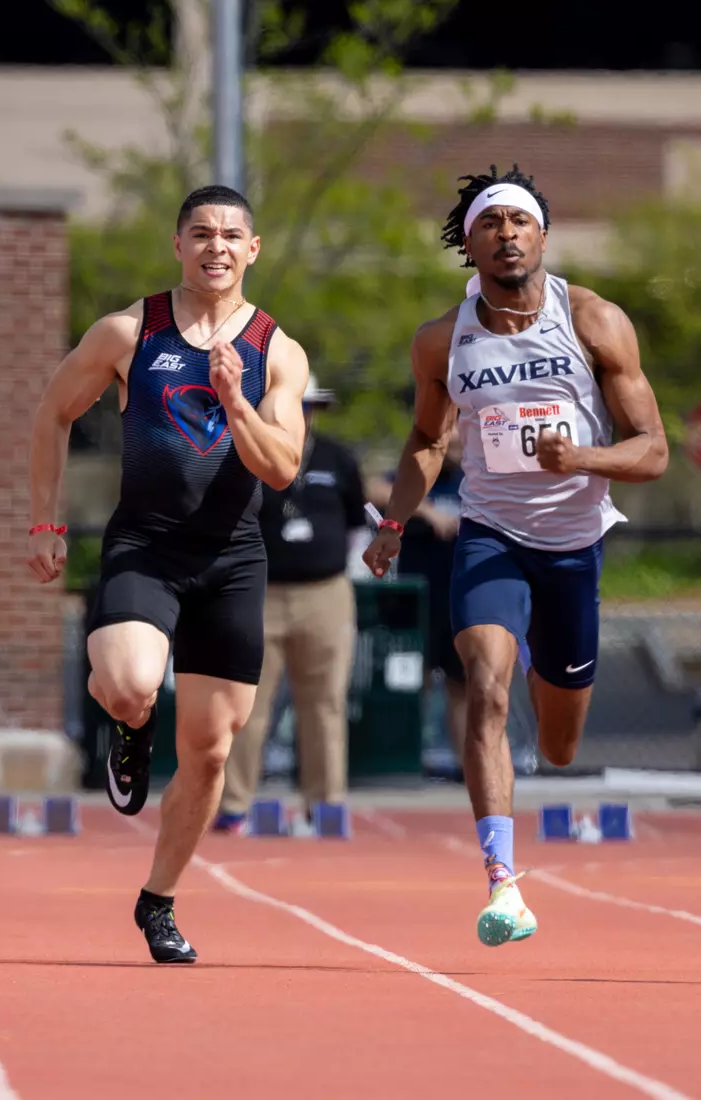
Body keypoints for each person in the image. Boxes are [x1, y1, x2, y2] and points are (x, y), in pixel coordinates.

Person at [364, 165, 667, 947]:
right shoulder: (442, 338)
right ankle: (502, 882)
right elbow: (428, 440)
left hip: (571, 543)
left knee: (560, 743)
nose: (505, 235)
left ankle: (549, 668)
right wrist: (394, 522)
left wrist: (583, 461)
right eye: (489, 225)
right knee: (487, 690)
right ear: (467, 245)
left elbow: (653, 451)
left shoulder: (594, 320)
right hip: (489, 535)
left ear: (541, 235)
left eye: (518, 223)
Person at [28, 184, 310, 963]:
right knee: (128, 682)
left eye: (230, 235)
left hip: (232, 558)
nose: (215, 246)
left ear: (252, 249)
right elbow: (52, 411)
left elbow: (281, 469)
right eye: (200, 233)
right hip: (146, 547)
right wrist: (46, 521)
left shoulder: (276, 351)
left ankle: (158, 901)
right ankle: (126, 720)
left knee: (212, 751)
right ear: (177, 245)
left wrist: (236, 402)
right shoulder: (128, 331)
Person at [216, 375, 365, 832]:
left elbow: (357, 523)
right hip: (261, 593)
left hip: (326, 593)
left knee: (324, 703)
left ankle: (325, 804)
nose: (296, 415)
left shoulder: (338, 459)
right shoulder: (244, 455)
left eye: (304, 407)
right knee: (246, 705)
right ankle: (235, 805)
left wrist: (350, 573)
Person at [370, 433, 468, 775]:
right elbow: (374, 489)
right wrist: (427, 512)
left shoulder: (473, 478)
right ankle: (406, 762)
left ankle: (468, 767)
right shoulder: (416, 477)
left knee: (463, 686)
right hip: (418, 603)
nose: (455, 447)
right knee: (415, 682)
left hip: (461, 601)